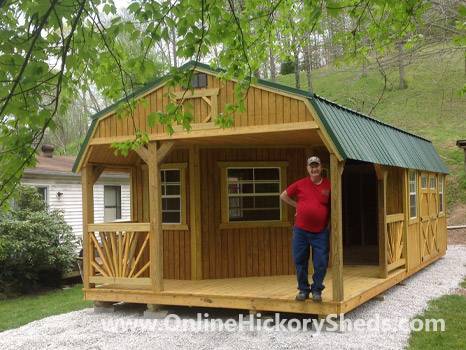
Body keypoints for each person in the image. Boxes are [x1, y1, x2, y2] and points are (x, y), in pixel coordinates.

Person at [280, 156, 331, 302]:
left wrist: (328, 226)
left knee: (320, 262)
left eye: (316, 166)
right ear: (308, 168)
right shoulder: (301, 183)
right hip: (301, 231)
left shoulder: (329, 185)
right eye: (311, 166)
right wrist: (299, 206)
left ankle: (317, 290)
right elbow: (283, 196)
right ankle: (303, 289)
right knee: (300, 260)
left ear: (321, 167)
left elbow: (333, 205)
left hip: (321, 232)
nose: (314, 169)